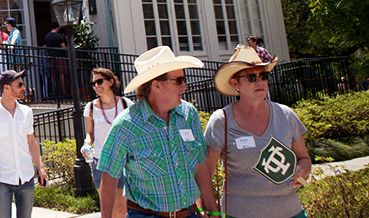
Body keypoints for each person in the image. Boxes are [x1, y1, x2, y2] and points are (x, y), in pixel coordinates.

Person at [98, 46, 217, 218]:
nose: (184, 86)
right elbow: (109, 176)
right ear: (157, 85)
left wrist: (213, 211)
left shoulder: (188, 114)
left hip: (190, 214)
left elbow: (200, 165)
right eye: (179, 80)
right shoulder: (126, 125)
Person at [203, 45, 310, 218]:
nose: (260, 82)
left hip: (291, 212)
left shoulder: (286, 115)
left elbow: (304, 158)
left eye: (264, 76)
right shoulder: (221, 121)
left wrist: (302, 170)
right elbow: (205, 172)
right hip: (239, 213)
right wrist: (208, 208)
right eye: (251, 77)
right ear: (235, 83)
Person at [0, 70, 48, 218]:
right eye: (19, 84)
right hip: (1, 179)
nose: (24, 87)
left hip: (26, 177)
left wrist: (40, 167)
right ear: (6, 88)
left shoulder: (27, 112)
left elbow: (31, 141)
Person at [83, 68, 133, 218]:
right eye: (93, 83)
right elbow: (90, 133)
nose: (96, 86)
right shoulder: (91, 107)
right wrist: (86, 144)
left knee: (121, 210)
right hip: (100, 161)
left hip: (123, 161)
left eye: (99, 81)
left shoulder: (126, 104)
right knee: (107, 209)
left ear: (111, 81)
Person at [42, 21, 67, 99]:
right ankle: (64, 94)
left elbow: (44, 49)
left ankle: (54, 93)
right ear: (57, 27)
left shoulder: (46, 36)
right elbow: (64, 47)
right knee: (61, 75)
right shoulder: (60, 36)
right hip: (59, 57)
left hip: (51, 59)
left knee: (53, 76)